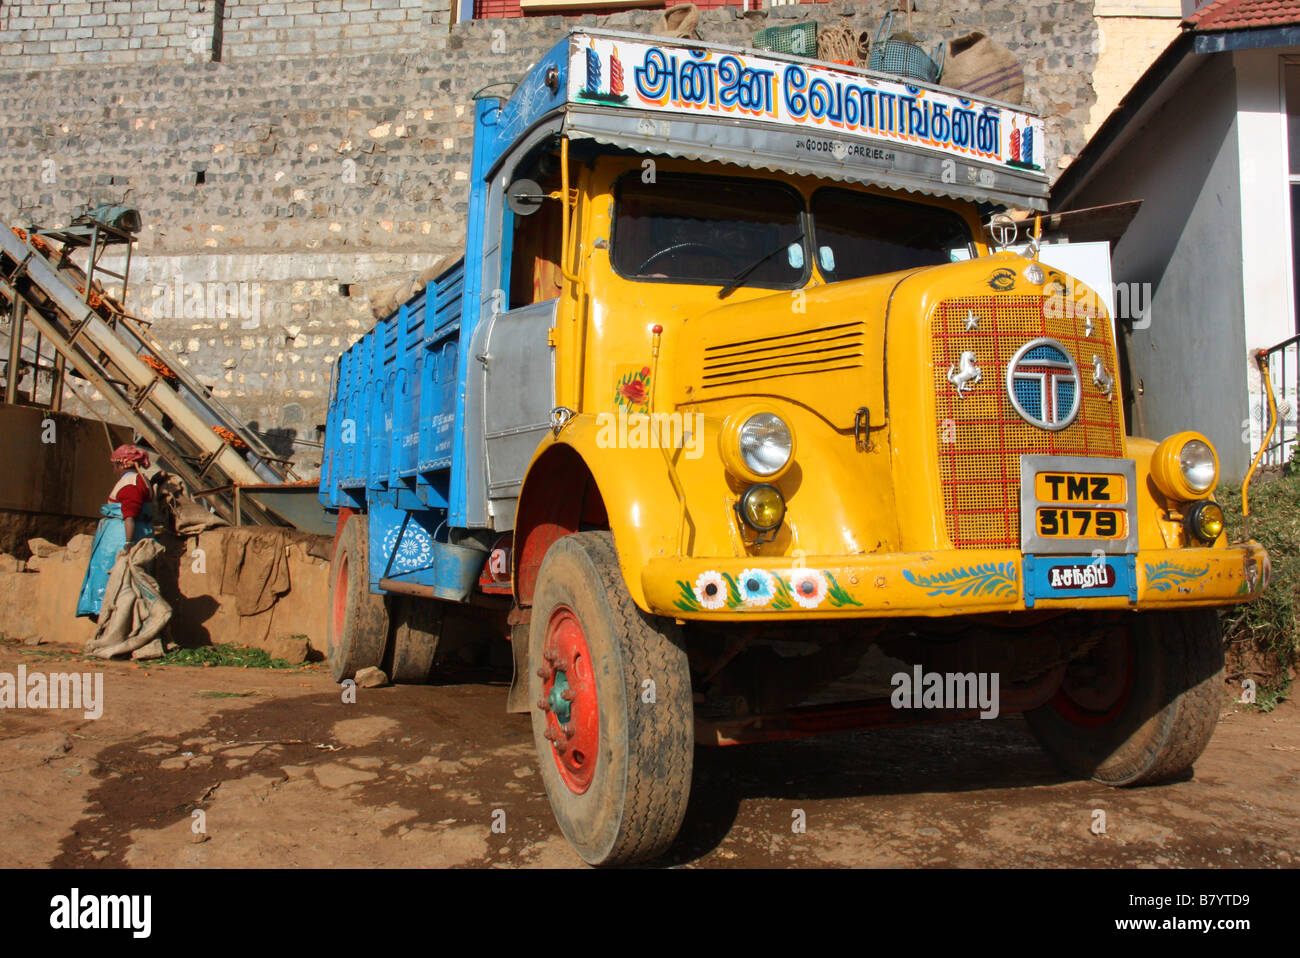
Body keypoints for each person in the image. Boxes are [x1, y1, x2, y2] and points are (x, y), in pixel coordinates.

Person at [75, 444, 156, 618]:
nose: (114, 471)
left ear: (122, 464)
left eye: (114, 466)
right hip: (129, 534)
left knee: (113, 580)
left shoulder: (131, 483)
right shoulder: (141, 480)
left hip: (119, 540)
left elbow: (130, 515)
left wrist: (128, 543)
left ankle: (106, 613)